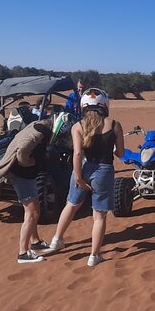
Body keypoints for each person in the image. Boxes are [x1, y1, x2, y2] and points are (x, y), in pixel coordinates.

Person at [48, 88, 124, 267]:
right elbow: (120, 153)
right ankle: (94, 255)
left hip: (82, 168)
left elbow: (77, 153)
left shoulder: (77, 126)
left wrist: (79, 178)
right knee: (99, 216)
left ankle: (56, 239)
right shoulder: (114, 125)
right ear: (104, 105)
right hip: (104, 170)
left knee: (71, 204)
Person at [0, 113, 72, 263]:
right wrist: (26, 161)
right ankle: (23, 253)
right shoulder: (41, 131)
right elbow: (23, 149)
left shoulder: (40, 126)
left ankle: (35, 242)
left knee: (34, 210)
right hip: (21, 174)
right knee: (32, 212)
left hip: (26, 175)